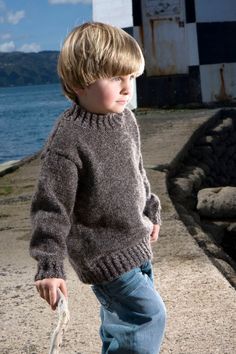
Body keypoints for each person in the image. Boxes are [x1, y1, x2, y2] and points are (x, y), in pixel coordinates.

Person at [29, 22, 166, 354]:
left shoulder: (125, 119)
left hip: (136, 241)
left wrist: (150, 208)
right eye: (116, 78)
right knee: (147, 317)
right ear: (79, 82)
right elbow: (51, 208)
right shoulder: (67, 141)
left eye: (131, 77)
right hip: (103, 253)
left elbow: (135, 170)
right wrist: (49, 265)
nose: (127, 89)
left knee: (120, 323)